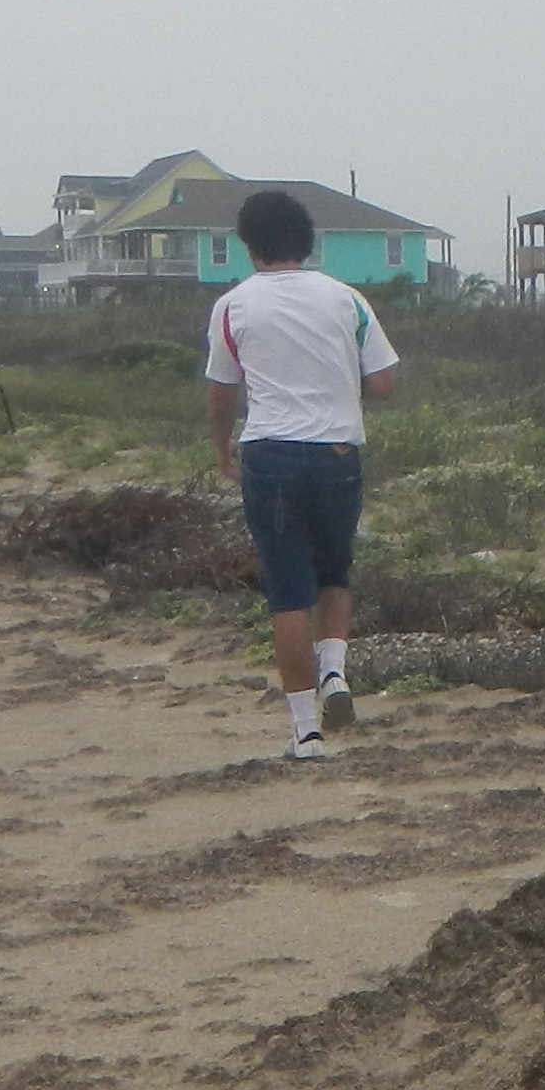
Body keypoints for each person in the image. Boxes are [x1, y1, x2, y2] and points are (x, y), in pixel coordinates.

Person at [201, 188, 401, 762]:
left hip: (270, 454)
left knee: (287, 592)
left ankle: (305, 732)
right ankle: (335, 671)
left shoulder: (234, 306)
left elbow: (222, 391)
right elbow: (384, 381)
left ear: (249, 245)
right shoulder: (345, 299)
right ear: (309, 241)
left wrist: (222, 448)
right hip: (337, 450)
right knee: (335, 572)